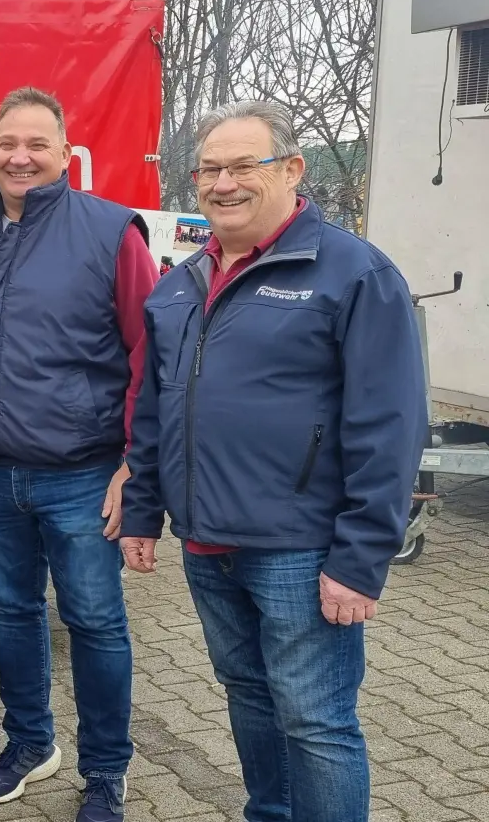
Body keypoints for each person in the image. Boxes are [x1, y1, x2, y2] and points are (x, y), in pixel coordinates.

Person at [120, 100, 429, 822]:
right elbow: (156, 411)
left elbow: (390, 425)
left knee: (316, 721)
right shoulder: (179, 285)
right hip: (207, 547)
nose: (222, 183)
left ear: (292, 170)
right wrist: (140, 509)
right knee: (250, 698)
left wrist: (360, 558)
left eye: (242, 166)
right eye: (209, 170)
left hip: (300, 550)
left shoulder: (352, 273)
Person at [0, 86, 157, 822]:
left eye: (37, 145)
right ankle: (29, 743)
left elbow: (149, 356)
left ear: (66, 153)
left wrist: (136, 461)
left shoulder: (111, 232)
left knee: (95, 622)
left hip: (83, 474)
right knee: (13, 614)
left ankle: (106, 770)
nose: (20, 158)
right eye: (8, 144)